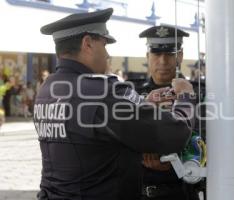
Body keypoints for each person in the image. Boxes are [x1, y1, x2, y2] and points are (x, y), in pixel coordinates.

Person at [34, 8, 196, 200]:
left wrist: (142, 104)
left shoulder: (49, 88)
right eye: (104, 44)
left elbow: (95, 129)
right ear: (87, 44)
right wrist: (185, 97)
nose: (107, 54)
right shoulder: (102, 91)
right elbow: (175, 134)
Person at [138, 25, 200, 200]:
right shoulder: (133, 95)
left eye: (170, 54)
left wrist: (174, 160)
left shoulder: (198, 94)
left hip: (182, 192)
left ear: (180, 56)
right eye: (157, 54)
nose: (163, 62)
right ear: (147, 57)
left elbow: (206, 140)